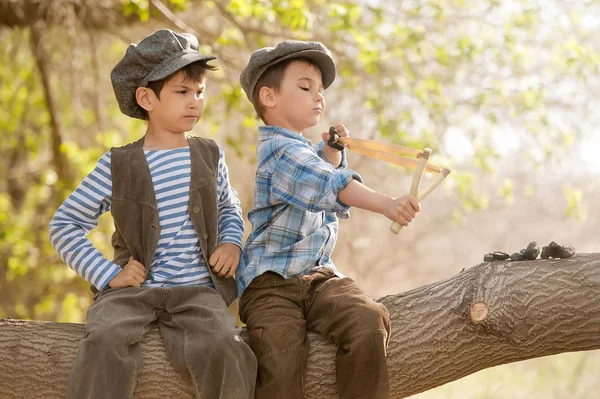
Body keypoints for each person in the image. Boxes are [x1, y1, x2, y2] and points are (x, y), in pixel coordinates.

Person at [49, 29, 256, 399]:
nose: (195, 101)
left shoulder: (210, 155)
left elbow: (228, 206)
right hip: (131, 292)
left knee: (225, 344)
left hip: (198, 290)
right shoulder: (118, 164)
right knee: (104, 340)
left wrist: (230, 241)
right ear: (146, 97)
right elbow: (65, 225)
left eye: (199, 92)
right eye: (182, 92)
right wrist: (108, 275)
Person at [236, 40, 421, 399]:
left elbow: (320, 173)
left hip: (318, 277)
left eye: (320, 90)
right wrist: (386, 204)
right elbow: (328, 184)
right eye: (305, 87)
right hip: (270, 284)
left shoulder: (302, 150)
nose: (318, 97)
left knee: (368, 320)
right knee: (281, 357)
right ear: (269, 97)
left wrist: (331, 151)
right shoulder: (279, 152)